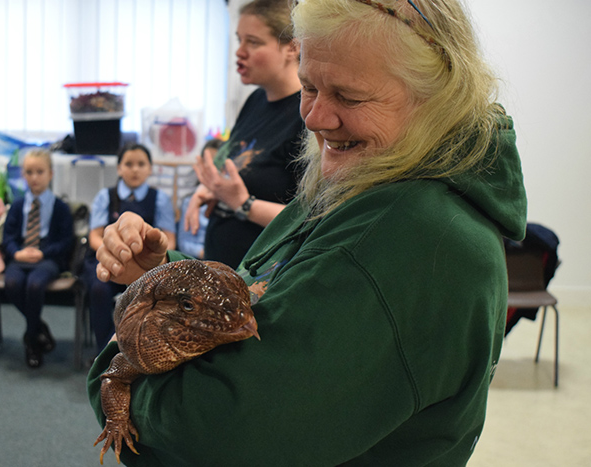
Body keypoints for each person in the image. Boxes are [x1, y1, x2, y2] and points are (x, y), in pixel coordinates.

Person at [88, 0, 528, 464]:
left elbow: (209, 431)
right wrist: (161, 279)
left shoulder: (404, 240)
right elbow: (276, 289)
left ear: (437, 98)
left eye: (350, 96)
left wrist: (120, 357)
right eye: (309, 87)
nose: (314, 117)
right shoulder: (369, 177)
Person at [183, 0, 305, 270]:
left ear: (292, 47)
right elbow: (233, 168)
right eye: (239, 40)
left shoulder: (307, 115)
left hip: (265, 279)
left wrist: (243, 204)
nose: (239, 52)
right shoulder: (255, 101)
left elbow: (312, 221)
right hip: (223, 266)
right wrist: (208, 190)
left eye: (253, 42)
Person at [82, 142, 176, 353]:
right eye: (129, 164)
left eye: (141, 164)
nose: (135, 169)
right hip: (108, 261)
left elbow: (170, 240)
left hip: (146, 266)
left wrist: (147, 256)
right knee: (99, 290)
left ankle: (132, 352)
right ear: (119, 168)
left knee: (145, 296)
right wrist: (117, 253)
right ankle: (105, 353)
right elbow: (95, 236)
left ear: (150, 168)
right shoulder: (105, 196)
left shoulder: (160, 199)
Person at [1, 149, 73, 368]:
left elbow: (66, 241)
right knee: (12, 283)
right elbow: (8, 237)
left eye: (40, 172)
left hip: (48, 256)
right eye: (29, 172)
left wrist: (44, 252)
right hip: (22, 254)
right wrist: (16, 252)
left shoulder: (60, 207)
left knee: (34, 284)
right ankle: (39, 327)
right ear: (23, 175)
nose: (34, 177)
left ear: (50, 174)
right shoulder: (16, 205)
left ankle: (31, 340)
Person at [177, 139, 223, 258]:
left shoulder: (232, 204)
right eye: (207, 164)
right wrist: (206, 253)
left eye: (217, 163)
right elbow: (183, 243)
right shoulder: (190, 201)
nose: (212, 170)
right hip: (199, 262)